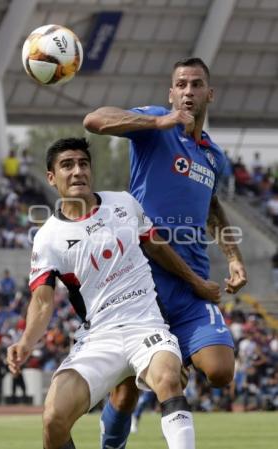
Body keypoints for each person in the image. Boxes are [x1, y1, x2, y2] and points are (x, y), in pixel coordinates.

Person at [7, 137, 221, 449]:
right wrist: (25, 341)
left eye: (83, 163)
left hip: (146, 326)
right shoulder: (47, 239)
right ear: (51, 178)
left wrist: (196, 282)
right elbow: (41, 303)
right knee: (54, 418)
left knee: (168, 380)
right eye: (67, 165)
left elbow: (159, 248)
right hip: (97, 339)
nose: (78, 170)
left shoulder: (123, 203)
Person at [83, 57, 248, 449]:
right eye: (181, 84)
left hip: (192, 280)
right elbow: (95, 120)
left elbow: (211, 207)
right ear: (170, 93)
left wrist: (235, 257)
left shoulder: (213, 155)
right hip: (142, 281)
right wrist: (157, 122)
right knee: (123, 395)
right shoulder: (157, 124)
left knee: (222, 370)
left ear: (210, 93)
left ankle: (173, 360)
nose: (188, 91)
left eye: (196, 84)